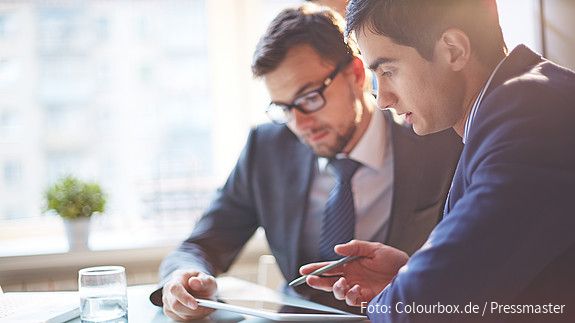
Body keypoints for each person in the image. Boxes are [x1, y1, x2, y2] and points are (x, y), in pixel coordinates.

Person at [150, 3, 462, 321]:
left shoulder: (437, 143)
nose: (300, 124)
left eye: (310, 98)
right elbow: (201, 245)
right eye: (285, 108)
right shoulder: (266, 149)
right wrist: (182, 278)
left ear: (356, 74)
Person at [300, 0, 575, 322]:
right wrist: (407, 274)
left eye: (388, 71)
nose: (384, 98)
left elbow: (422, 304)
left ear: (454, 50)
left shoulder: (530, 118)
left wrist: (413, 290)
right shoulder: (511, 107)